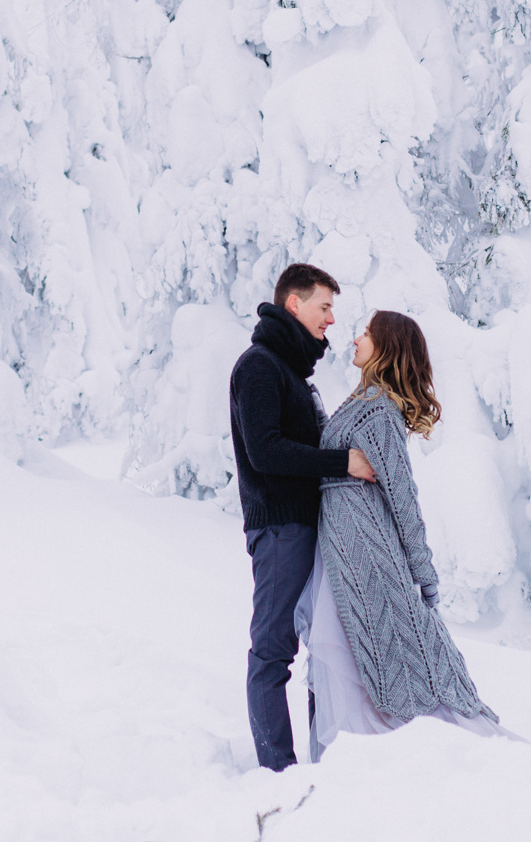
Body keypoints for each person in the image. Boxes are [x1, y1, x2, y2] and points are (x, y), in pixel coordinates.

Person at [297, 309, 502, 762]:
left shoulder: (377, 413)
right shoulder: (363, 402)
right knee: (351, 661)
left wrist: (423, 575)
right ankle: (353, 766)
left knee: (375, 661)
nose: (355, 339)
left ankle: (387, 762)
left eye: (366, 334)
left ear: (386, 346)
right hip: (345, 555)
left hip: (368, 559)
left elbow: (403, 498)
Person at [229, 263, 378, 772]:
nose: (332, 319)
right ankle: (277, 772)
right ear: (294, 304)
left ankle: (323, 763)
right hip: (280, 529)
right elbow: (266, 451)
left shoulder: (291, 372)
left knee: (325, 646)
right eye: (324, 307)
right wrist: (345, 463)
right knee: (272, 650)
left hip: (307, 528)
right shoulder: (259, 366)